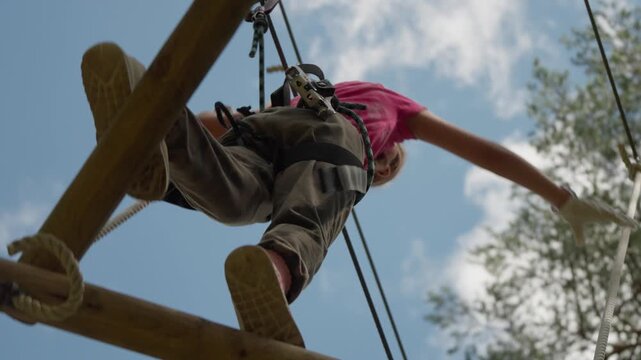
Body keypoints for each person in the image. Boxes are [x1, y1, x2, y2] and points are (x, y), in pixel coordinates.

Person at [81, 42, 636, 348]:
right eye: (388, 163)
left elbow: (214, 126)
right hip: (325, 135)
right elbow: (484, 152)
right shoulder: (389, 116)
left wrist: (150, 139)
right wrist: (559, 198)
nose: (386, 165)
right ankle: (273, 272)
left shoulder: (294, 99)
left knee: (226, 194)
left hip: (264, 139)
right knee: (324, 193)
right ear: (393, 147)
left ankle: (142, 114)